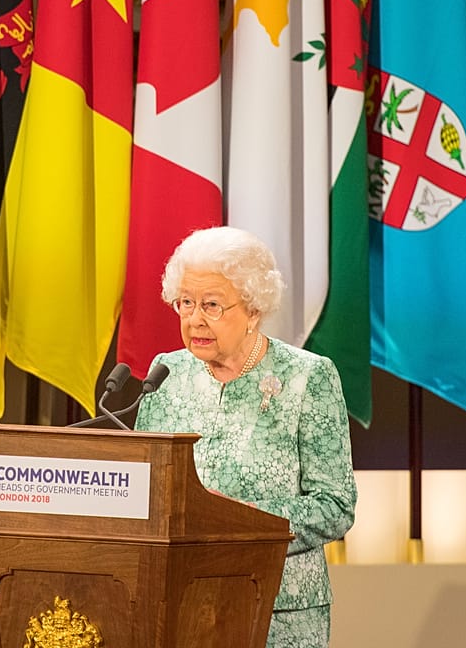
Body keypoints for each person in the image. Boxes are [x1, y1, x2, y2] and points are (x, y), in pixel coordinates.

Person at [134, 226, 356, 648]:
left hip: (278, 611)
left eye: (212, 305)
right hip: (181, 603)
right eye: (185, 303)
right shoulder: (167, 374)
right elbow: (147, 493)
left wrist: (248, 520)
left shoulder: (308, 377)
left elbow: (336, 505)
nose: (194, 319)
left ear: (253, 309)